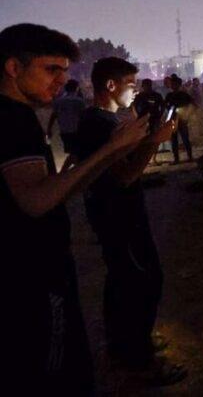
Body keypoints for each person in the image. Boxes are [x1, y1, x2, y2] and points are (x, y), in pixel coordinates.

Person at [0, 23, 150, 395]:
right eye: (51, 69)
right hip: (31, 275)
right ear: (13, 67)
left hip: (40, 268)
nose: (62, 79)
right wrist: (112, 149)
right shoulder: (11, 119)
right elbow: (36, 201)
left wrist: (110, 153)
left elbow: (57, 189)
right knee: (57, 375)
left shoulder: (20, 115)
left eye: (65, 70)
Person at [75, 57, 185, 385]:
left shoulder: (105, 119)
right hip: (118, 216)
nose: (135, 90)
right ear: (111, 85)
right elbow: (125, 175)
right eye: (130, 84)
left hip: (117, 213)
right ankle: (138, 361)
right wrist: (155, 141)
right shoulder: (98, 124)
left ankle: (124, 345)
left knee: (121, 279)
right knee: (144, 280)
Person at [47, 78, 85, 169]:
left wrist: (49, 129)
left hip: (64, 131)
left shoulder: (59, 101)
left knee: (74, 154)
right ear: (77, 88)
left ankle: (68, 171)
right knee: (77, 154)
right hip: (77, 131)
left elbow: (54, 115)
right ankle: (66, 172)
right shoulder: (79, 101)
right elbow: (83, 116)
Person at [132, 78, 165, 164]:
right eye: (145, 85)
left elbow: (162, 106)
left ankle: (153, 158)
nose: (147, 87)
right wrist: (138, 118)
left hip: (154, 119)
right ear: (143, 86)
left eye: (148, 85)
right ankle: (145, 159)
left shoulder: (156, 95)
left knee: (154, 139)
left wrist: (160, 116)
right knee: (143, 140)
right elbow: (134, 107)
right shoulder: (140, 96)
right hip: (143, 120)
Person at [164, 74, 195, 163]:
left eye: (175, 84)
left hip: (182, 120)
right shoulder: (169, 95)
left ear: (179, 85)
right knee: (174, 140)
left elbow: (193, 105)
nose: (173, 86)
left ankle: (189, 156)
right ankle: (176, 158)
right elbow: (165, 106)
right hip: (173, 120)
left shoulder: (184, 95)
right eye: (172, 84)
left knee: (185, 139)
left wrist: (187, 114)